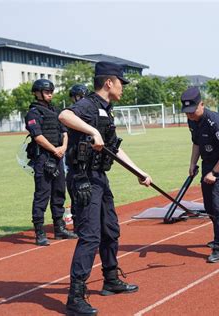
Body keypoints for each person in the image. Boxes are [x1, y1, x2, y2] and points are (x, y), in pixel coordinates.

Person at [59, 61, 152, 316]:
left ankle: (110, 279)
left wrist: (139, 172)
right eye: (121, 82)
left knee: (110, 230)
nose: (123, 88)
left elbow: (115, 148)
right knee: (90, 236)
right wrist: (91, 131)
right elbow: (64, 115)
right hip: (83, 179)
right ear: (109, 82)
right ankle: (75, 296)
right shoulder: (88, 105)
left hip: (100, 177)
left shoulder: (106, 110)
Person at [181, 87, 219, 264]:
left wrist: (214, 173)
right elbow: (196, 143)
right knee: (209, 205)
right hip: (208, 164)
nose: (189, 115)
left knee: (217, 202)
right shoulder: (192, 121)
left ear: (202, 105)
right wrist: (192, 163)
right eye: (186, 112)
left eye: (192, 111)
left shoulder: (216, 122)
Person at [24, 79, 78, 246]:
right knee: (42, 194)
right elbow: (38, 136)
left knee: (59, 193)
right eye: (47, 92)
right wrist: (54, 150)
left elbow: (64, 131)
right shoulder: (33, 113)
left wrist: (62, 147)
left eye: (51, 91)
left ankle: (59, 228)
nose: (50, 94)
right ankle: (40, 232)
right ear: (37, 93)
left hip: (58, 156)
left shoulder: (55, 111)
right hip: (43, 158)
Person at [66, 83, 89, 232]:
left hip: (88, 158)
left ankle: (87, 222)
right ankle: (77, 223)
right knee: (76, 192)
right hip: (74, 158)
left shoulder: (88, 113)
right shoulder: (70, 115)